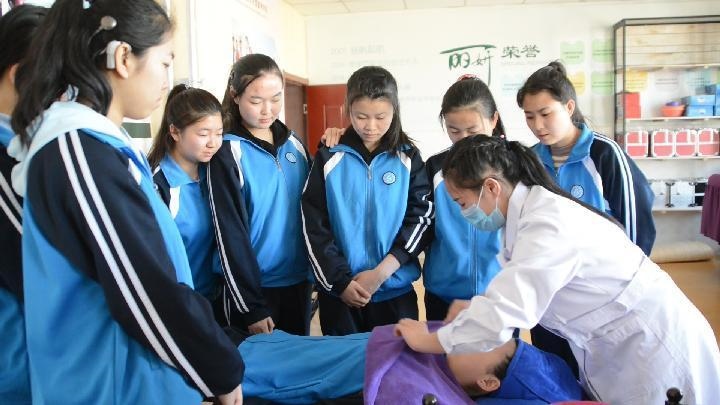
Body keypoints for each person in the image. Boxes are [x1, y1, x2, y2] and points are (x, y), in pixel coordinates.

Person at [10, 0, 243, 403]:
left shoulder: (100, 146)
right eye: (165, 62)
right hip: (114, 387)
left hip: (139, 379)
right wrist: (219, 368)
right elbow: (146, 290)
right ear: (122, 58)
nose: (167, 81)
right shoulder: (79, 151)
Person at [393, 135, 720, 405]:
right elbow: (518, 292)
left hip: (652, 345)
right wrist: (479, 310)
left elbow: (504, 315)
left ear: (491, 187)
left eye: (462, 203)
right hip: (613, 346)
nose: (464, 213)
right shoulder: (528, 217)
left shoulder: (547, 224)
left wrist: (431, 340)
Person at [516, 60, 657, 375]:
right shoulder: (529, 161)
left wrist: (626, 291)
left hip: (602, 298)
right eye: (529, 116)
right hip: (551, 298)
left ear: (569, 107)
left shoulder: (605, 154)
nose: (538, 125)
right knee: (557, 372)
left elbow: (636, 228)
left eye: (545, 113)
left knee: (601, 375)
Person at [301, 66, 433, 336]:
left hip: (395, 291)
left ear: (395, 110)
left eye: (380, 117)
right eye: (361, 116)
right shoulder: (330, 156)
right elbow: (313, 223)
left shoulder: (408, 157)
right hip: (341, 294)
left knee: (395, 361)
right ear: (348, 110)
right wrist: (340, 282)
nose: (370, 126)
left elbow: (421, 217)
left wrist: (382, 272)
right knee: (344, 361)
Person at [209, 53, 312, 335]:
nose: (268, 110)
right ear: (235, 96)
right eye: (256, 101)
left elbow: (315, 212)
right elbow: (229, 233)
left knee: (297, 358)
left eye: (276, 99)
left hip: (297, 282)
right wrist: (250, 305)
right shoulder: (226, 152)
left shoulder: (294, 145)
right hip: (254, 291)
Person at [239, 323, 582, 405]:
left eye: (479, 348)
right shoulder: (457, 350)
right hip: (355, 348)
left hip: (347, 371)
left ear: (489, 383)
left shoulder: (439, 394)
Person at [422, 75, 504, 321]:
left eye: (473, 130)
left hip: (499, 294)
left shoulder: (513, 167)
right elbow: (421, 224)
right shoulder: (435, 169)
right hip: (444, 294)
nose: (464, 139)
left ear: (493, 120)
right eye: (454, 131)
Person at [0, 5, 47, 403]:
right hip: (17, 369)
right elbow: (38, 269)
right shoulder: (6, 160)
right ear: (19, 76)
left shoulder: (23, 148)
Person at [148, 84, 225, 315]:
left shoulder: (215, 175)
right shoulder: (157, 186)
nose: (213, 143)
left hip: (216, 300)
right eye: (203, 134)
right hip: (178, 305)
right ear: (174, 132)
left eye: (219, 133)